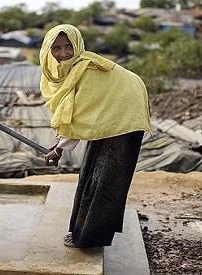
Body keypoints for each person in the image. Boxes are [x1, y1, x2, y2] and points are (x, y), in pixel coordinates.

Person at [39, 24, 151, 248]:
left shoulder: (86, 71)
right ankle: (80, 231)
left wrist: (59, 149)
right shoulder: (67, 72)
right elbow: (77, 119)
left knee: (106, 181)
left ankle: (90, 239)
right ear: (47, 51)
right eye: (57, 48)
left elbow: (76, 117)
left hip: (125, 118)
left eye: (68, 47)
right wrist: (60, 147)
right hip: (108, 116)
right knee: (90, 175)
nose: (63, 54)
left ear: (78, 45)